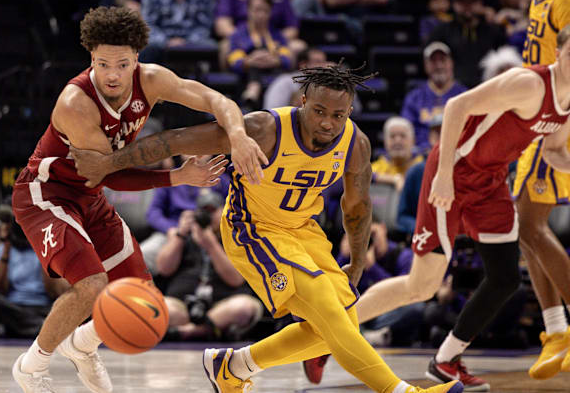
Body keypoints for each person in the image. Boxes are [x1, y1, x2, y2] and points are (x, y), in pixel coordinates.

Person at [70, 65, 464, 393]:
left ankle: (235, 367)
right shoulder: (265, 128)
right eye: (320, 111)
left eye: (338, 115)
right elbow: (177, 139)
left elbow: (357, 208)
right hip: (252, 230)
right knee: (328, 311)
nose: (328, 122)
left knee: (338, 321)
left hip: (304, 233)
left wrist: (357, 264)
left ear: (350, 111)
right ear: (303, 101)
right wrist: (110, 163)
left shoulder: (355, 143)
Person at [9, 6, 266, 393]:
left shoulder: (153, 80)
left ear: (137, 60)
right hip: (46, 194)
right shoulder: (75, 103)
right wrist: (178, 176)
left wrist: (239, 136)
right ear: (90, 58)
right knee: (92, 284)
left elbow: (218, 101)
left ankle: (81, 345)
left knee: (142, 295)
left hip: (89, 196)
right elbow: (108, 172)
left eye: (122, 64)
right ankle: (31, 366)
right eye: (102, 63)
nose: (111, 74)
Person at [353, 25, 570, 391]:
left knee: (504, 278)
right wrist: (443, 175)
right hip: (453, 169)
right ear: (559, 52)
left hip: (490, 180)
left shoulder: (567, 103)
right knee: (422, 286)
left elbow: (553, 150)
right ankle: (332, 328)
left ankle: (445, 359)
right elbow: (457, 105)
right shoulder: (529, 84)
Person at [510, 0, 570, 380]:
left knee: (529, 224)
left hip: (558, 115)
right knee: (526, 227)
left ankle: (561, 330)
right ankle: (557, 332)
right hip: (538, 113)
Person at [156, 190, 263, 341]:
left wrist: (211, 244)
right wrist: (179, 236)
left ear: (224, 212)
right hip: (182, 305)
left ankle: (189, 332)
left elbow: (236, 279)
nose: (208, 216)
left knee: (244, 307)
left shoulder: (237, 238)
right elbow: (164, 269)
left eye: (213, 211)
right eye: (203, 211)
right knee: (159, 306)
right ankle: (202, 331)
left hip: (222, 305)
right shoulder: (182, 235)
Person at [0, 205, 69, 338]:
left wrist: (43, 247)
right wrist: (6, 246)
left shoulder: (48, 245)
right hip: (12, 307)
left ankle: (16, 328)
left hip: (42, 307)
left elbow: (56, 291)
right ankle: (39, 327)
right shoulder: (5, 247)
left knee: (76, 300)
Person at [401, 42, 466, 153]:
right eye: (433, 61)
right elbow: (407, 131)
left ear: (451, 63)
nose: (439, 65)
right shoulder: (414, 98)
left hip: (457, 153)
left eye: (443, 60)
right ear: (426, 66)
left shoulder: (464, 95)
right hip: (422, 155)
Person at [371, 116, 424, 191]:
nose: (397, 141)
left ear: (413, 141)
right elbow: (363, 176)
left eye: (403, 136)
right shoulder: (380, 165)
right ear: (385, 142)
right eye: (392, 136)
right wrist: (394, 179)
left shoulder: (422, 164)